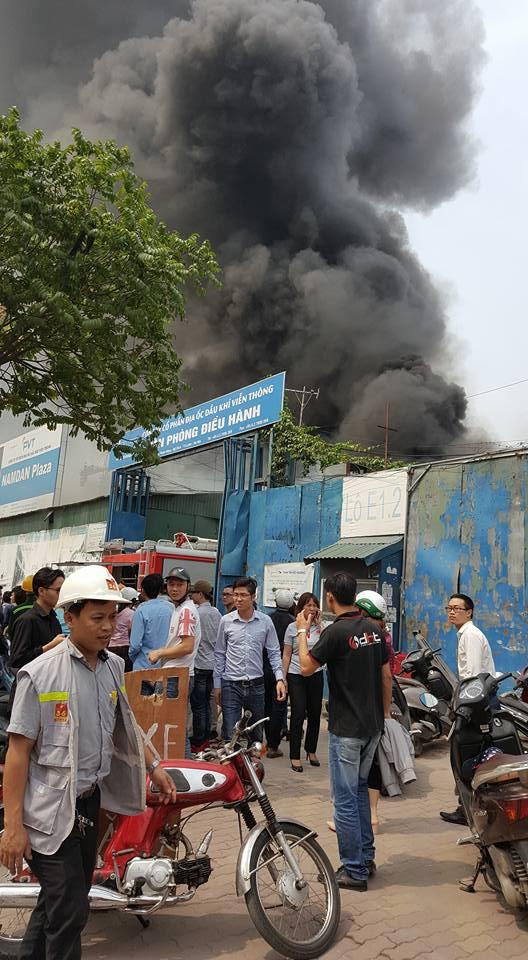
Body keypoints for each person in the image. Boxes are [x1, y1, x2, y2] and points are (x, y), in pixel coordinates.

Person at [0, 565, 176, 960]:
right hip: (48, 808)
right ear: (70, 616)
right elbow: (18, 752)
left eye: (112, 617)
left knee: (61, 901)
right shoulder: (39, 674)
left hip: (87, 804)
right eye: (98, 618)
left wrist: (154, 765)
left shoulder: (113, 666)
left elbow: (126, 720)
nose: (108, 627)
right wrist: (12, 827)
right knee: (71, 909)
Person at [296, 571, 392, 892]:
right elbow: (386, 675)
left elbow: (306, 667)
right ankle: (365, 858)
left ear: (330, 598)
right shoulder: (374, 630)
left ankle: (353, 869)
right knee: (360, 791)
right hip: (372, 726)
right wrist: (385, 713)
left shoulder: (336, 632)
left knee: (345, 800)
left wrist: (301, 631)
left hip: (347, 729)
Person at [440, 592, 496, 825]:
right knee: (467, 754)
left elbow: (472, 676)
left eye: (457, 608)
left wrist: (464, 708)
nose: (452, 612)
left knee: (467, 754)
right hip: (475, 702)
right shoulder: (465, 634)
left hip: (475, 704)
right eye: (449, 608)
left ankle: (469, 810)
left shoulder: (470, 636)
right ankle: (467, 808)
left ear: (469, 612)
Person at [214, 577, 286, 742]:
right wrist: (217, 684)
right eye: (236, 594)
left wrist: (280, 679)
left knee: (255, 734)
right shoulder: (226, 621)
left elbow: (274, 653)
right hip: (230, 684)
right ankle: (232, 758)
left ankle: (252, 759)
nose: (238, 599)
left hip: (256, 685)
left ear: (253, 597)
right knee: (230, 734)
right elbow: (219, 654)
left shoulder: (265, 622)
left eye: (243, 595)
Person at [147, 567, 201, 758]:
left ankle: (184, 765)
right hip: (176, 674)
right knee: (172, 725)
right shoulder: (180, 609)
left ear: (188, 586)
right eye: (171, 584)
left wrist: (160, 652)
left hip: (176, 676)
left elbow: (187, 646)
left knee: (174, 726)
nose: (175, 588)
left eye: (179, 584)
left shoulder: (186, 611)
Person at [354, 590, 395, 833]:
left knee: (355, 766)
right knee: (374, 763)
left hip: (360, 710)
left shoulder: (367, 637)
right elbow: (388, 677)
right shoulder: (385, 636)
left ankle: (350, 818)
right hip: (377, 710)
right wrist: (386, 710)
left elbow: (386, 676)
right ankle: (373, 816)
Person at [282, 592, 324, 772]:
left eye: (315, 605)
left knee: (315, 713)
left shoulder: (320, 628)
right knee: (298, 714)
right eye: (308, 605)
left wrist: (320, 625)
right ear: (301, 608)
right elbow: (286, 654)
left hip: (316, 674)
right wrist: (282, 678)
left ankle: (311, 750)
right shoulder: (292, 627)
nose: (312, 609)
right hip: (296, 675)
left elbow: (326, 649)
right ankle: (294, 755)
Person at [8, 568, 66, 678]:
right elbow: (16, 660)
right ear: (41, 591)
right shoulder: (27, 620)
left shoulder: (53, 618)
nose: (61, 594)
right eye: (58, 590)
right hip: (32, 683)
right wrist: (47, 647)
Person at [189, 580, 222, 750]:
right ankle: (207, 736)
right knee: (208, 703)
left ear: (200, 594)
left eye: (194, 592)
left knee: (198, 705)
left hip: (200, 664)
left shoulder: (196, 613)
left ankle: (199, 739)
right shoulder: (217, 613)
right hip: (213, 664)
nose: (191, 595)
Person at [265, 589, 295, 758]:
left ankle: (262, 741)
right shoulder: (293, 622)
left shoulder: (267, 619)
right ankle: (273, 745)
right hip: (283, 669)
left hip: (265, 667)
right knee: (278, 707)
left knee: (265, 706)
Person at [129, 574, 173, 671]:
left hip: (144, 665)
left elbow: (135, 645)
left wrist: (135, 659)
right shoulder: (172, 608)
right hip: (167, 665)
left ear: (143, 590)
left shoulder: (141, 610)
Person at [108, 587, 138, 671]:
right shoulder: (132, 613)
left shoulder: (113, 612)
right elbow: (131, 629)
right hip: (125, 648)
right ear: (133, 600)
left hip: (111, 647)